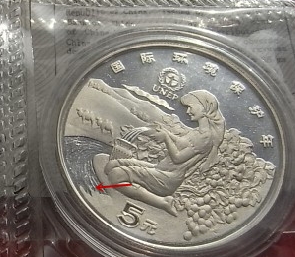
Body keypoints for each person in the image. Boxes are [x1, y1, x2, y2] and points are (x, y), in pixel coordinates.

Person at [96, 90, 226, 215]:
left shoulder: (205, 138)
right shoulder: (197, 132)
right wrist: (164, 131)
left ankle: (162, 202)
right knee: (112, 164)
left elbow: (178, 158)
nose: (187, 111)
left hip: (167, 178)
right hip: (159, 168)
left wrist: (166, 138)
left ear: (204, 109)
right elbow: (181, 143)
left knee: (115, 175)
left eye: (190, 107)